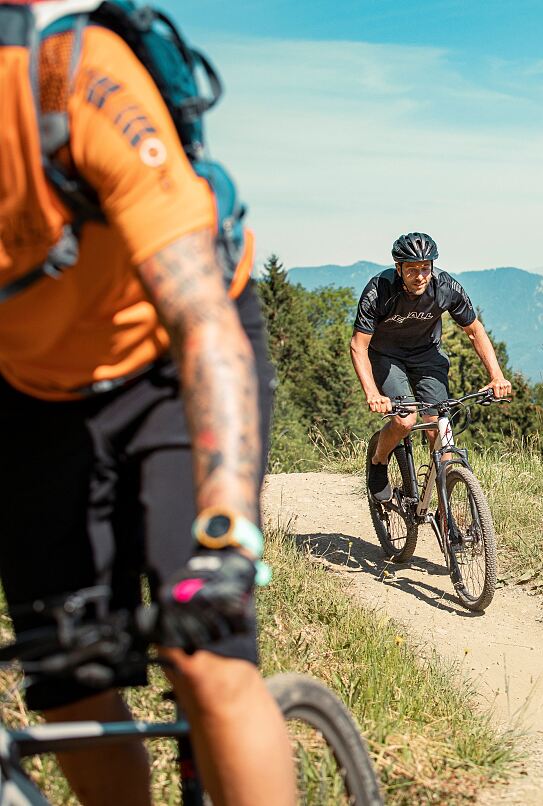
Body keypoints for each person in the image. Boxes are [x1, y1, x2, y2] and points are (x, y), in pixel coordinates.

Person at [0, 2, 294, 804]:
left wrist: (227, 535)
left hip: (166, 363)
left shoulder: (73, 79)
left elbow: (203, 326)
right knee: (67, 677)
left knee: (206, 655)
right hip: (31, 392)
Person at [350, 232, 512, 501]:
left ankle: (444, 507)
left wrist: (497, 376)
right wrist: (372, 393)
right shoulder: (379, 291)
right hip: (387, 357)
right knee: (405, 420)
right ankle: (378, 461)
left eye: (426, 268)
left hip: (427, 355)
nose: (420, 275)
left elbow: (474, 330)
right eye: (412, 269)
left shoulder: (446, 288)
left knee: (440, 422)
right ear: (398, 268)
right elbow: (358, 345)